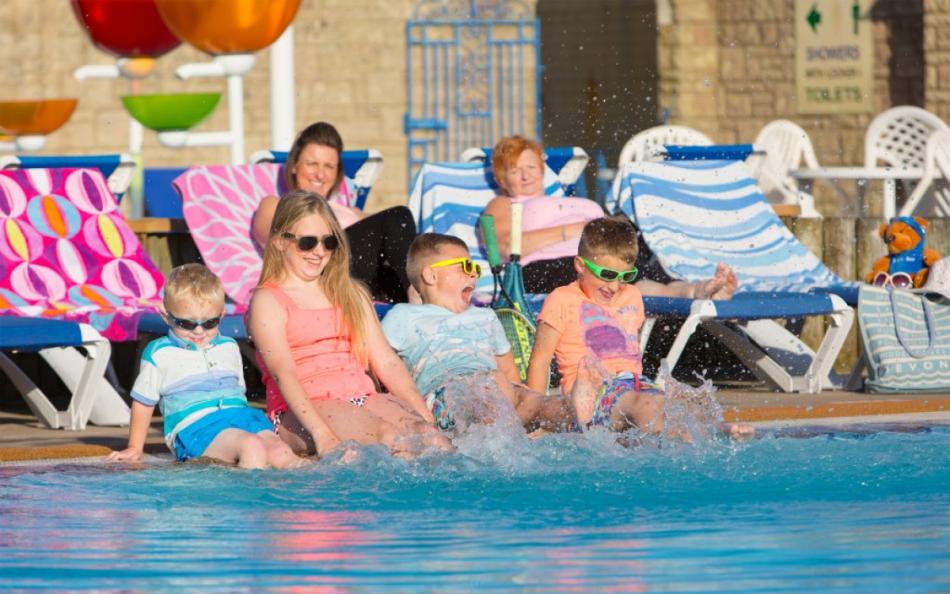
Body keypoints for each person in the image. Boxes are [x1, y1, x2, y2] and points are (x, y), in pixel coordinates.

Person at [246, 190, 453, 459]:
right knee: (388, 439)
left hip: (361, 398)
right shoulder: (268, 300)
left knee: (434, 441)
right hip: (302, 413)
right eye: (307, 242)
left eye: (329, 242)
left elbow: (386, 362)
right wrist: (324, 437)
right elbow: (283, 373)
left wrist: (426, 418)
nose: (319, 252)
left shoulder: (350, 293)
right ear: (279, 242)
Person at [526, 218, 752, 438]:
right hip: (593, 389)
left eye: (626, 276)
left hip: (633, 384)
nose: (614, 287)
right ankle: (587, 404)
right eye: (607, 275)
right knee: (644, 404)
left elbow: (666, 291)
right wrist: (536, 413)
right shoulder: (561, 300)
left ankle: (714, 428)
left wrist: (703, 289)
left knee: (679, 400)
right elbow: (539, 361)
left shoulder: (631, 295)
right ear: (580, 266)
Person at [481, 135, 737, 298]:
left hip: (601, 259)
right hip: (550, 267)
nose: (526, 176)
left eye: (531, 167)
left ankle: (698, 290)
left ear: (542, 170)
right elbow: (505, 248)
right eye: (515, 170)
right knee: (615, 278)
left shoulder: (568, 202)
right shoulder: (503, 203)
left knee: (642, 270)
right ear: (500, 179)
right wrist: (578, 230)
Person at [107, 264, 302, 469]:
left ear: (222, 315)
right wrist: (135, 447)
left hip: (241, 417)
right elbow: (143, 402)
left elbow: (238, 393)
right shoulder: (160, 353)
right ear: (165, 315)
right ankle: (247, 499)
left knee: (282, 453)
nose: (199, 331)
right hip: (196, 428)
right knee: (251, 447)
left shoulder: (229, 346)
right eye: (187, 324)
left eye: (209, 323)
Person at [381, 233, 576, 432]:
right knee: (480, 393)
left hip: (496, 388)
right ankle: (505, 435)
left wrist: (515, 395)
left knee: (532, 400)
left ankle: (576, 413)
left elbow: (508, 371)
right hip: (446, 396)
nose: (474, 274)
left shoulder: (486, 316)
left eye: (475, 269)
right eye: (466, 267)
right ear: (431, 276)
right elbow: (379, 362)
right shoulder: (404, 316)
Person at [253, 122, 416, 303]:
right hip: (319, 271)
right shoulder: (274, 204)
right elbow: (275, 241)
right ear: (294, 166)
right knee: (398, 217)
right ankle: (418, 297)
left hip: (362, 285)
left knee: (402, 247)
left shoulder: (352, 212)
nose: (320, 175)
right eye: (312, 164)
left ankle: (417, 301)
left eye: (329, 167)